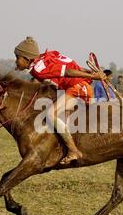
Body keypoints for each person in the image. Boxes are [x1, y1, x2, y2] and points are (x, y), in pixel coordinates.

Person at [13, 36, 106, 164]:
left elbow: (67, 71)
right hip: (77, 86)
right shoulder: (46, 57)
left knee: (51, 114)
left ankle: (73, 150)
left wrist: (93, 76)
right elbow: (73, 68)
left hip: (77, 88)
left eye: (17, 57)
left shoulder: (38, 70)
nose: (16, 61)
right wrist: (91, 73)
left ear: (27, 58)